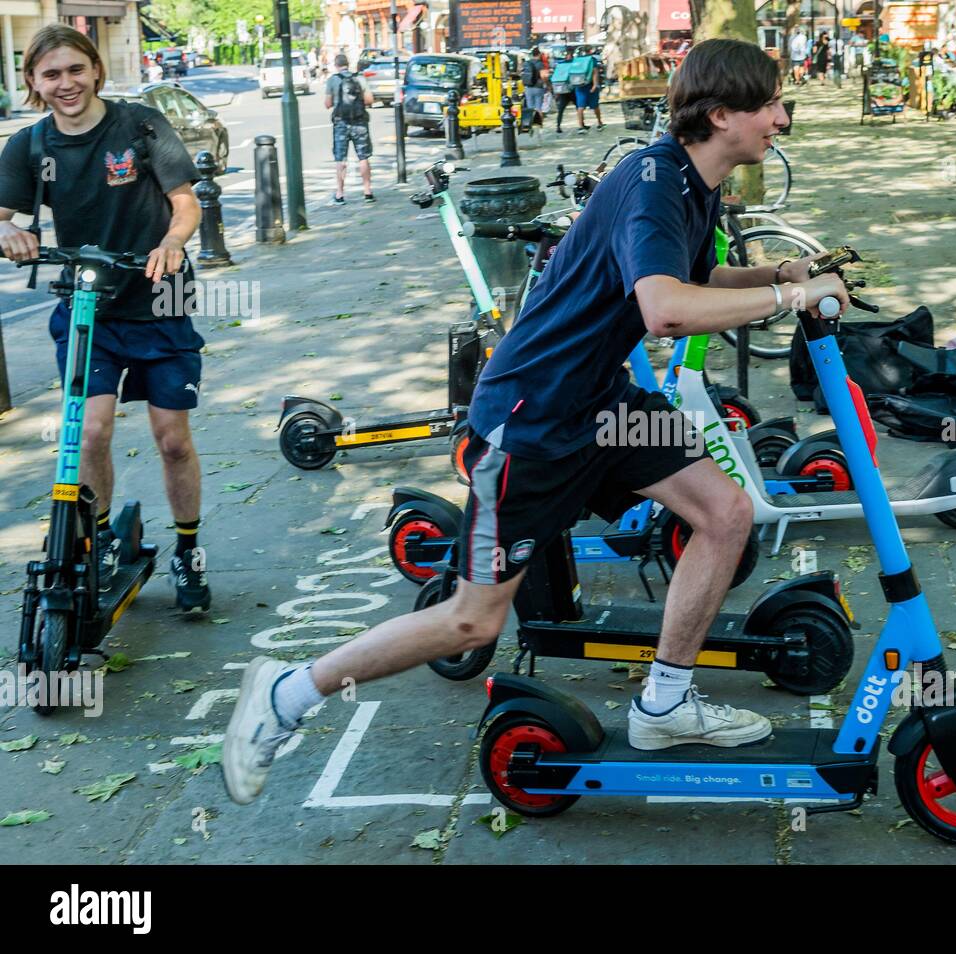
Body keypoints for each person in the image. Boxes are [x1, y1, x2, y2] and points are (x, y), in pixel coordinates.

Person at [221, 38, 851, 805]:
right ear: (722, 115)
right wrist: (788, 300)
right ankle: (287, 694)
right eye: (772, 105)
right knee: (471, 623)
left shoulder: (693, 181)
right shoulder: (650, 182)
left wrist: (781, 272)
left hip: (599, 405)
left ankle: (665, 703)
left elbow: (696, 277)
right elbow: (665, 307)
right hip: (531, 422)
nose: (783, 119)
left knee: (725, 512)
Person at [0, 25, 210, 611]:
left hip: (159, 301)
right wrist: (7, 231)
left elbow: (185, 201)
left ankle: (189, 549)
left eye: (74, 70)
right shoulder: (30, 146)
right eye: (51, 75)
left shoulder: (140, 126)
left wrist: (171, 243)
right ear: (34, 84)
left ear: (94, 69)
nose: (65, 84)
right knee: (90, 432)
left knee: (171, 441)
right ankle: (92, 546)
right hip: (86, 306)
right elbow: (1, 214)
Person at [324, 53, 375, 205]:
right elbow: (369, 100)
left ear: (336, 65)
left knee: (341, 159)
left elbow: (327, 104)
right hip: (359, 123)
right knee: (363, 157)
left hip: (341, 124)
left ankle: (340, 194)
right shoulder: (359, 78)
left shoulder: (333, 80)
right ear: (348, 63)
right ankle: (367, 191)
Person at [572, 50, 605, 132]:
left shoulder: (576, 60)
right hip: (590, 86)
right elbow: (595, 72)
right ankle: (599, 123)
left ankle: (581, 126)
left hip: (579, 86)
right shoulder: (592, 60)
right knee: (595, 106)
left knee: (580, 107)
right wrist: (595, 85)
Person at [550, 48, 575, 134]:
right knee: (579, 107)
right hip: (571, 89)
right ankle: (581, 125)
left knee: (561, 109)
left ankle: (558, 126)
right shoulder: (574, 64)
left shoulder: (560, 65)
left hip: (561, 89)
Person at [521, 46, 547, 128]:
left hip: (528, 87)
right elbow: (543, 76)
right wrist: (547, 84)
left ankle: (530, 124)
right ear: (539, 54)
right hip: (538, 87)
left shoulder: (527, 63)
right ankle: (540, 125)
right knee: (538, 107)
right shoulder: (540, 64)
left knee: (530, 107)